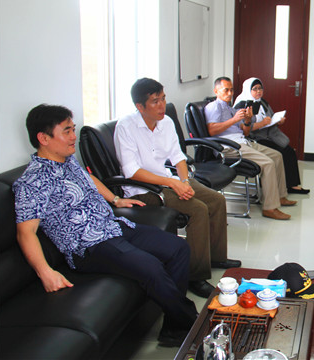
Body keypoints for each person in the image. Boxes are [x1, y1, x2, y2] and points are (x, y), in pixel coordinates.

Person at [13, 104, 199, 347]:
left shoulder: (67, 161)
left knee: (178, 248)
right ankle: (195, 324)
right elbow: (25, 232)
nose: (73, 136)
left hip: (113, 226)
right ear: (43, 138)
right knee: (151, 267)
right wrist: (46, 272)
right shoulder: (32, 181)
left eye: (73, 129)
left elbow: (88, 178)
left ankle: (174, 329)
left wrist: (115, 199)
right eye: (67, 131)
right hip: (89, 246)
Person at [114, 78, 241, 299]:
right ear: (140, 106)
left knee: (216, 200)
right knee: (198, 209)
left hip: (168, 179)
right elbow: (131, 171)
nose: (162, 105)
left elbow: (177, 156)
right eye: (155, 101)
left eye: (163, 99)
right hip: (144, 189)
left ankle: (215, 257)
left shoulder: (166, 122)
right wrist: (173, 183)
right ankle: (195, 276)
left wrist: (184, 182)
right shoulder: (125, 127)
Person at [205, 76, 296, 220]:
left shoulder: (230, 108)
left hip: (242, 141)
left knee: (277, 156)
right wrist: (234, 120)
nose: (230, 93)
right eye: (226, 90)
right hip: (229, 146)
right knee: (268, 163)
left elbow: (245, 132)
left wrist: (247, 121)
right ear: (216, 91)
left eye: (231, 90)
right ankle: (270, 207)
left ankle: (280, 196)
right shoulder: (213, 106)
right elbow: (211, 130)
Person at [233, 77, 310, 194]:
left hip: (268, 135)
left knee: (290, 152)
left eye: (260, 88)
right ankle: (275, 186)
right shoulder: (242, 105)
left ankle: (292, 185)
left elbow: (271, 116)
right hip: (254, 138)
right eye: (255, 89)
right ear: (248, 90)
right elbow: (243, 129)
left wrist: (278, 121)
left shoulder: (262, 102)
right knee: (281, 153)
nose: (258, 91)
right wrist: (262, 124)